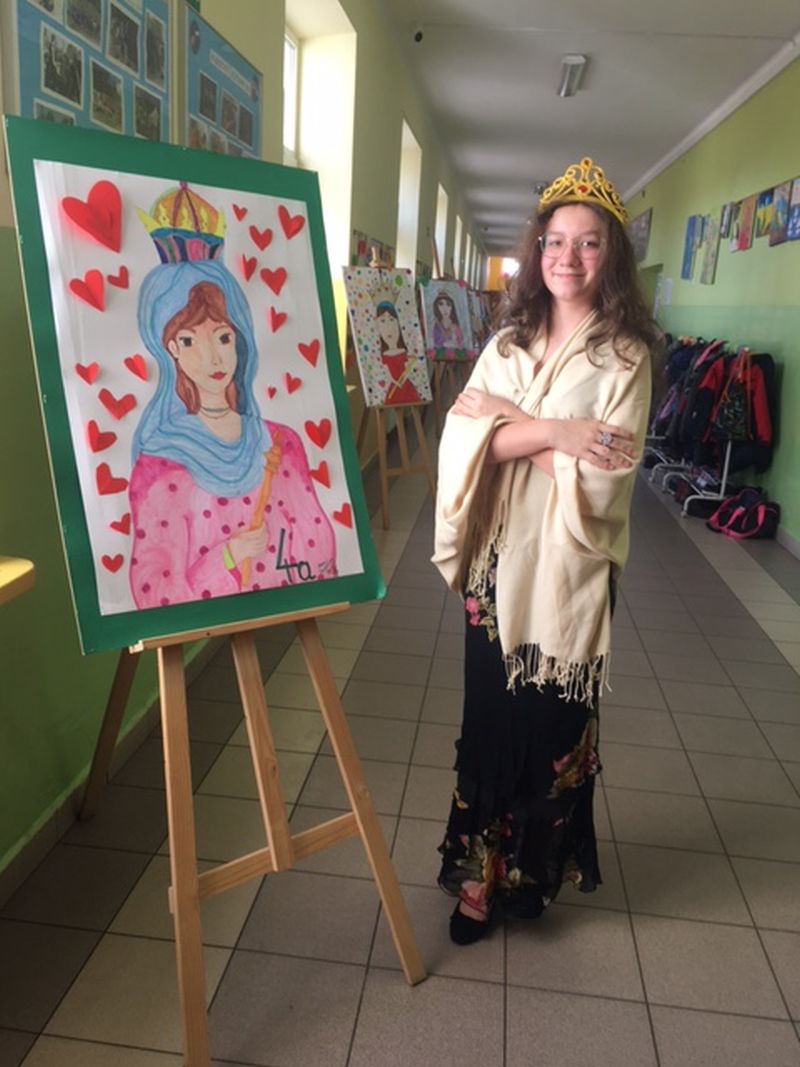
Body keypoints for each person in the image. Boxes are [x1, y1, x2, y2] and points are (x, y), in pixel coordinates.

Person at [432, 157, 659, 944]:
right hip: (496, 566)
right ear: (537, 249)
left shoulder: (626, 359)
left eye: (589, 242)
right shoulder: (507, 343)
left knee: (551, 725)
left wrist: (509, 425)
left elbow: (606, 477)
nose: (569, 256)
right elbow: (465, 442)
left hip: (567, 571)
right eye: (556, 240)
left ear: (611, 253)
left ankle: (531, 876)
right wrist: (561, 432)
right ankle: (478, 882)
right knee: (491, 722)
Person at [129, 182, 336, 609]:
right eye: (190, 341)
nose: (213, 357)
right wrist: (227, 555)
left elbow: (319, 553)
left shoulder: (280, 444)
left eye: (223, 337)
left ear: (240, 340)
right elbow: (155, 591)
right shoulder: (160, 463)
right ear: (169, 349)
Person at [375, 300, 423, 406]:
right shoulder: (385, 355)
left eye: (391, 320)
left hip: (406, 385)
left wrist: (403, 379)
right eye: (382, 321)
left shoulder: (403, 351)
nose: (388, 326)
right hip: (395, 386)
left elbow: (407, 368)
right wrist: (396, 382)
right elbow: (388, 373)